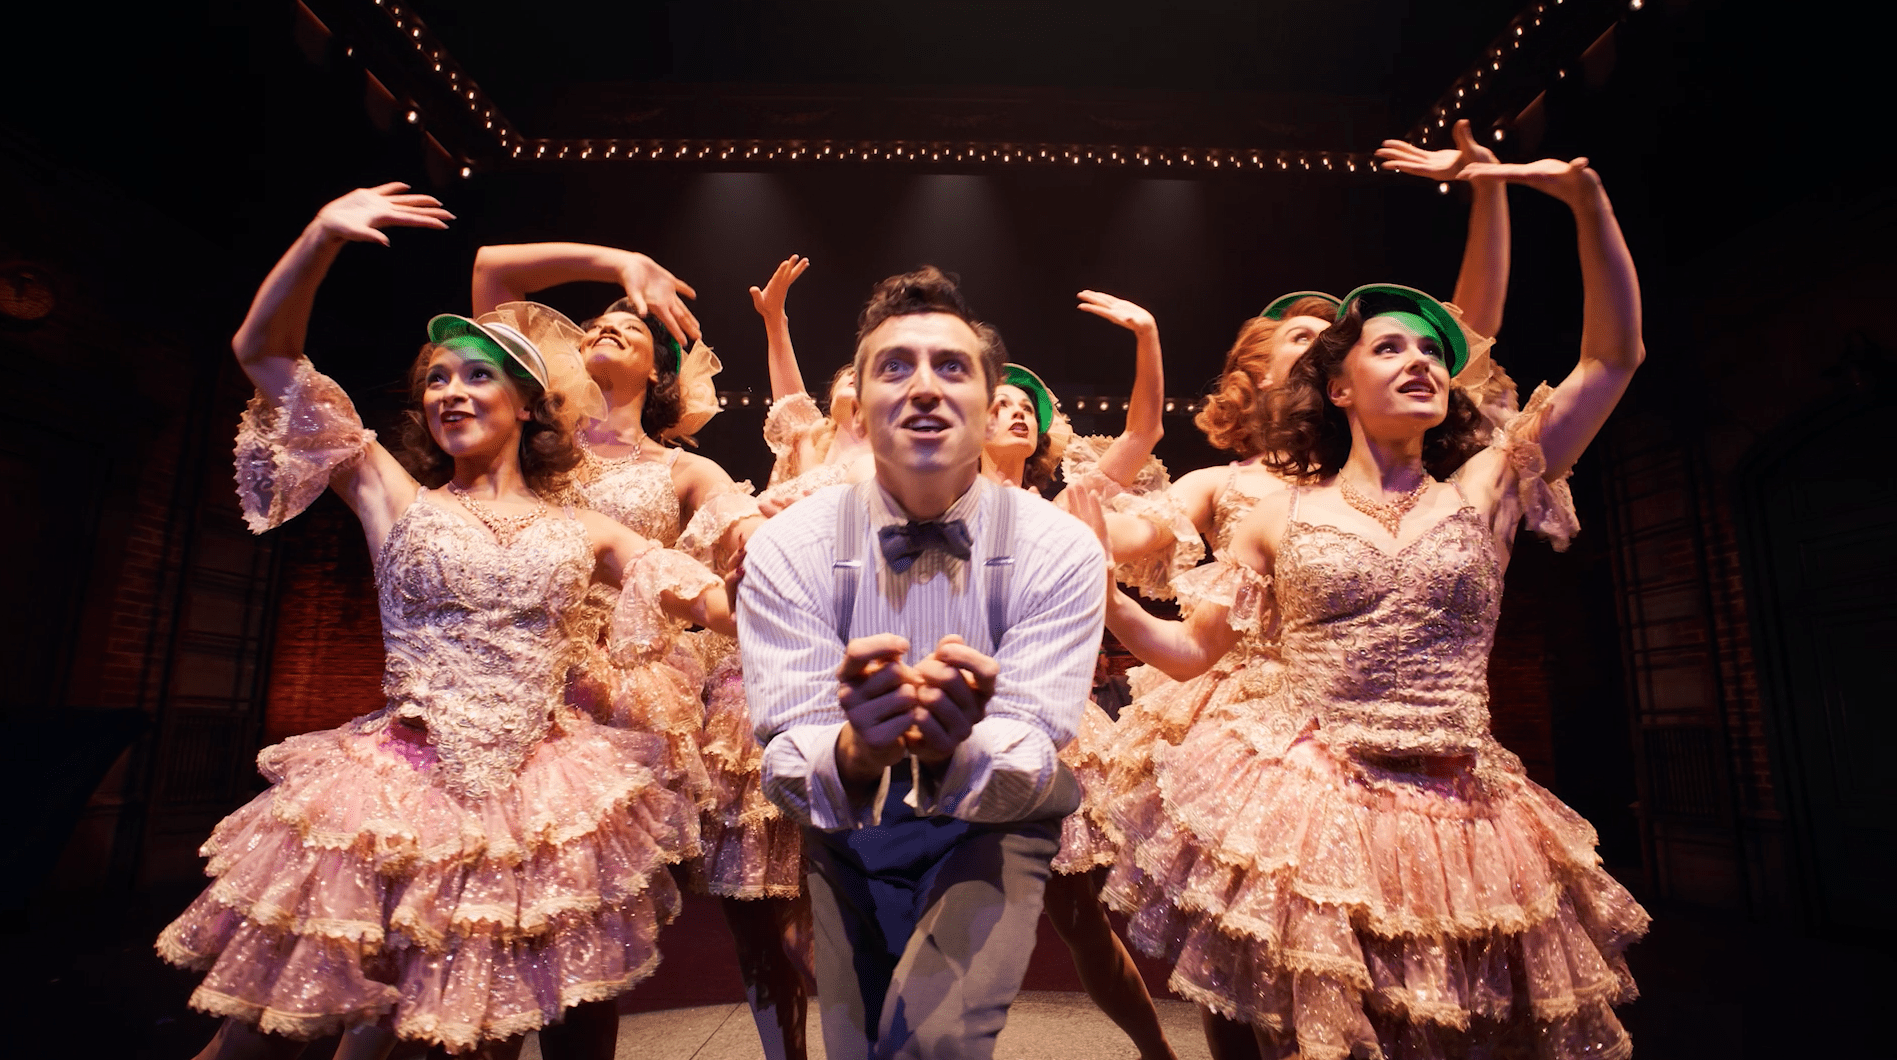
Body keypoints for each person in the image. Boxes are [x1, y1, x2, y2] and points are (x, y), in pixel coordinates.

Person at [1083, 154, 1650, 1059]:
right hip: (1315, 798)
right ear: (1338, 387)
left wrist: (1588, 199)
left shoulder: (1489, 485)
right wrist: (1104, 596)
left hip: (1462, 808)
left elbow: (1610, 357)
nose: (1420, 360)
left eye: (1430, 351)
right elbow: (1191, 653)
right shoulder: (1271, 514)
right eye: (1390, 347)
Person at [157, 184, 733, 1060]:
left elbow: (707, 598)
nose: (450, 393)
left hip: (530, 797)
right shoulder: (395, 494)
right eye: (436, 380)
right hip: (394, 786)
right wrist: (320, 236)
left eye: (476, 376)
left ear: (530, 405)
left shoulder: (585, 528)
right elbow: (265, 355)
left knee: (458, 1031)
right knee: (271, 1029)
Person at [739, 266, 1106, 1060]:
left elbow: (1033, 746)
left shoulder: (1060, 548)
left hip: (995, 821)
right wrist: (855, 747)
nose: (925, 387)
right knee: (858, 1046)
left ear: (990, 400)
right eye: (894, 366)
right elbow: (787, 753)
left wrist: (952, 747)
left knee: (933, 1044)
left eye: (951, 367)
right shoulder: (787, 547)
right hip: (847, 826)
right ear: (858, 405)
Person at [469, 244, 810, 1059]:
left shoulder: (683, 468)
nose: (607, 326)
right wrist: (615, 263)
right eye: (592, 322)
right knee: (508, 914)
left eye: (628, 324)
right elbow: (491, 276)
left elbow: (745, 538)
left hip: (626, 696)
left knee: (688, 915)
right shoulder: (524, 444)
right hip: (516, 682)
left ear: (663, 366)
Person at [750, 255, 877, 514]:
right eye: (851, 371)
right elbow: (792, 407)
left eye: (869, 374)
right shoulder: (808, 444)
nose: (857, 375)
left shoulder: (888, 455)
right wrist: (774, 319)